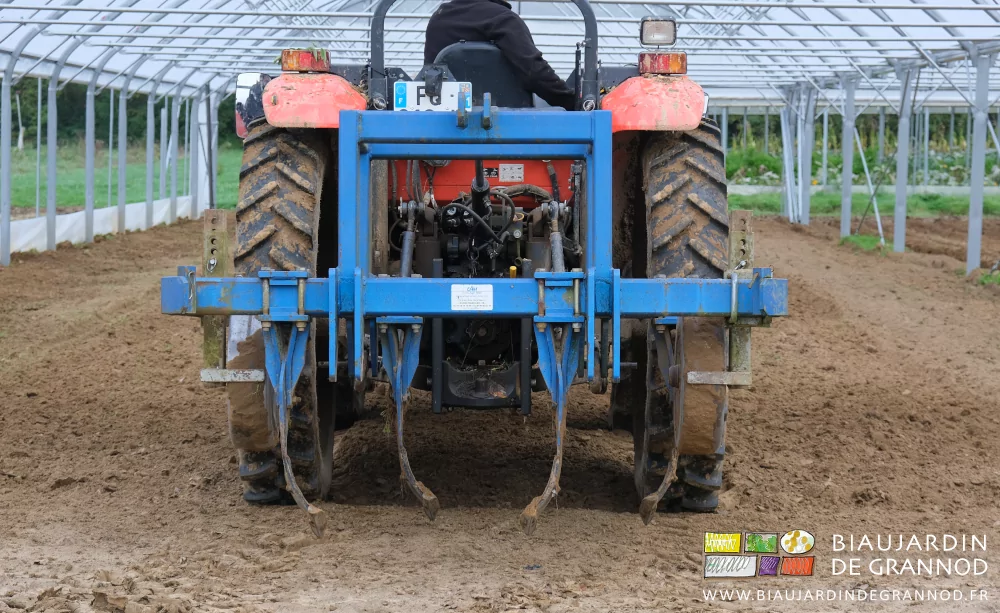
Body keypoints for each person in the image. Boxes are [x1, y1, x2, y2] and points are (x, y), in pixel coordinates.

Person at [424, 0, 577, 110]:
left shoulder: (438, 19)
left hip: (446, 126)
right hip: (509, 129)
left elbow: (429, 74)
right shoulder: (504, 19)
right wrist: (572, 102)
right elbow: (534, 73)